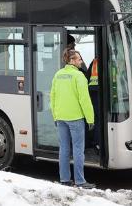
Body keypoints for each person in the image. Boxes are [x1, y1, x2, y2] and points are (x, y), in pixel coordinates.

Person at [50, 47, 96, 189]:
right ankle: (80, 181)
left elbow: (52, 96)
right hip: (75, 118)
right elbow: (84, 99)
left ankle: (64, 179)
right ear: (71, 60)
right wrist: (90, 119)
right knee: (77, 149)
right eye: (79, 59)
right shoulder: (79, 76)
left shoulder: (58, 75)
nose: (81, 61)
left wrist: (55, 116)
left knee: (64, 148)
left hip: (61, 117)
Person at [85, 53, 101, 152]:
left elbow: (87, 76)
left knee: (96, 117)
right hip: (99, 92)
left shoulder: (94, 61)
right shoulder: (107, 61)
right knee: (100, 118)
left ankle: (94, 141)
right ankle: (97, 142)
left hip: (92, 91)